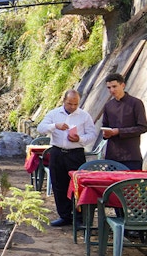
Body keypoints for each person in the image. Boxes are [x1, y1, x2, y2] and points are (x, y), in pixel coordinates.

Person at [36, 90, 97, 227]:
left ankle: (80, 217)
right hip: (57, 152)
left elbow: (92, 134)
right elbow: (40, 128)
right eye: (70, 104)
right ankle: (64, 216)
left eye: (75, 104)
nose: (72, 107)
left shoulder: (84, 116)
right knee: (59, 185)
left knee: (78, 186)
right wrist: (54, 126)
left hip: (76, 153)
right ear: (64, 101)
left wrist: (79, 138)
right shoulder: (54, 113)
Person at [102, 73, 147, 170]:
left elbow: (142, 127)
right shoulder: (108, 106)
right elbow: (105, 126)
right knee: (111, 185)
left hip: (131, 155)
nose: (112, 90)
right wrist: (105, 134)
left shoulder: (136, 103)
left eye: (114, 86)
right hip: (112, 155)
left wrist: (119, 131)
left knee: (132, 184)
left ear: (123, 85)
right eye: (109, 88)